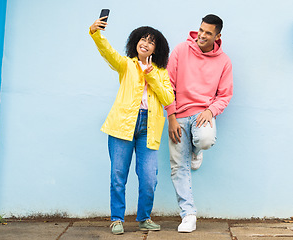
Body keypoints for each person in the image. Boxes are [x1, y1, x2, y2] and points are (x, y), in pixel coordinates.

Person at [89, 16, 174, 235]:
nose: (145, 43)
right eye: (142, 39)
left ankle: (144, 217)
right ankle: (117, 219)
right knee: (118, 174)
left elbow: (168, 98)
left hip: (149, 127)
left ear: (157, 48)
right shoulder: (126, 64)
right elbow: (108, 53)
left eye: (150, 41)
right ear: (135, 42)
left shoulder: (161, 72)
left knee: (149, 177)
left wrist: (151, 75)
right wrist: (96, 34)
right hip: (122, 125)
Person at [165, 14, 233, 233]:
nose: (202, 35)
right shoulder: (180, 51)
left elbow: (224, 95)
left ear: (218, 36)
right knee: (177, 167)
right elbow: (168, 86)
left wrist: (211, 110)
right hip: (179, 115)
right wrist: (171, 117)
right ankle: (188, 215)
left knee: (204, 140)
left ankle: (196, 150)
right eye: (201, 30)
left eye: (208, 33)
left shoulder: (224, 61)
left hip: (202, 114)